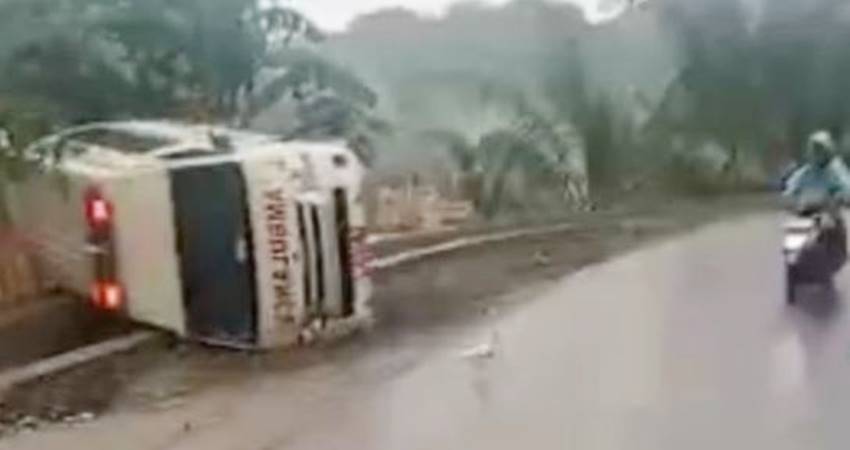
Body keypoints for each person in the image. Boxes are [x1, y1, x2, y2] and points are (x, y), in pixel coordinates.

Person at [783, 130, 850, 266]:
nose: (818, 152)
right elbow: (792, 185)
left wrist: (840, 197)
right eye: (815, 149)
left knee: (837, 236)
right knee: (792, 235)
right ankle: (794, 263)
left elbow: (846, 187)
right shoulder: (807, 171)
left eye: (820, 148)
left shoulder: (836, 170)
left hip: (829, 212)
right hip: (806, 211)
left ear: (828, 150)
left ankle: (833, 256)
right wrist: (788, 198)